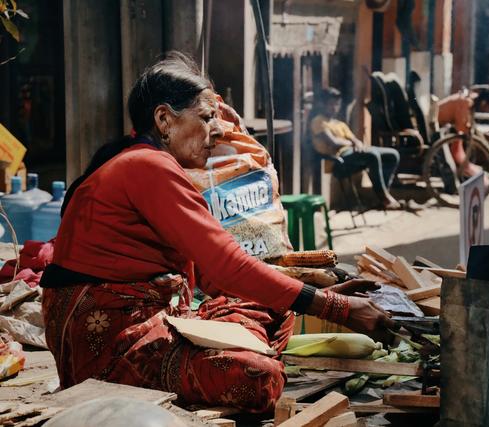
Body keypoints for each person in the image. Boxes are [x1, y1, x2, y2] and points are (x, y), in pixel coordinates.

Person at [40, 53, 395, 413]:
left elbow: (213, 276)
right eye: (207, 117)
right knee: (259, 377)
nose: (219, 130)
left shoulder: (147, 162)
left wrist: (319, 294)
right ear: (164, 119)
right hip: (105, 339)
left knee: (275, 308)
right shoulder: (147, 166)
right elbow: (228, 266)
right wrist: (338, 308)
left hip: (141, 318)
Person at [310, 88, 402, 209]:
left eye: (336, 104)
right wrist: (351, 143)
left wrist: (358, 144)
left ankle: (382, 192)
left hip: (351, 155)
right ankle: (383, 196)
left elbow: (354, 140)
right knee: (372, 155)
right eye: (330, 104)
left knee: (392, 154)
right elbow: (333, 142)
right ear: (323, 104)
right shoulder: (319, 121)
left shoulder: (339, 124)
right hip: (338, 161)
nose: (334, 107)